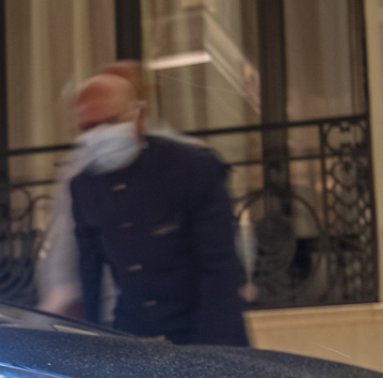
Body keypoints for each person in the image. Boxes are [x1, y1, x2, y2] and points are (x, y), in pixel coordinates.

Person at [68, 71, 250, 345]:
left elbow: (219, 267)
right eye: (89, 127)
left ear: (138, 118)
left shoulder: (191, 168)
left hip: (205, 330)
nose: (100, 134)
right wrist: (90, 342)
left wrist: (210, 354)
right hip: (135, 333)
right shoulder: (85, 187)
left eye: (111, 121)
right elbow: (89, 269)